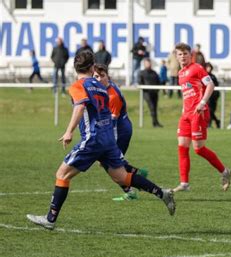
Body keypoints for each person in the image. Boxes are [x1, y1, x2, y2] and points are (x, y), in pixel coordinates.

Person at [26, 50, 175, 230]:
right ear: (92, 67)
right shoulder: (101, 87)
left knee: (61, 175)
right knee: (122, 177)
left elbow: (80, 108)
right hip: (107, 139)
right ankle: (162, 193)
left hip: (93, 139)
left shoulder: (77, 86)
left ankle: (50, 219)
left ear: (75, 68)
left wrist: (69, 132)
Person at [173, 42, 231, 192]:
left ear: (190, 54)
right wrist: (183, 108)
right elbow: (186, 92)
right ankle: (184, 183)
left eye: (185, 53)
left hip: (198, 113)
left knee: (198, 149)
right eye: (180, 54)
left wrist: (203, 102)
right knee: (182, 147)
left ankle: (225, 171)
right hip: (186, 114)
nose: (183, 56)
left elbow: (210, 85)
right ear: (176, 56)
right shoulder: (180, 73)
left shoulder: (197, 68)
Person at [93, 64, 145, 201]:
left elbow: (113, 124)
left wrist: (109, 145)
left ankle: (131, 191)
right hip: (117, 129)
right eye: (96, 76)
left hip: (121, 132)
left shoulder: (112, 96)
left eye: (101, 76)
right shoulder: (103, 89)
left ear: (107, 76)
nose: (98, 79)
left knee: (110, 164)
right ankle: (137, 174)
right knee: (109, 162)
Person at [138, 58, 163, 128]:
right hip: (147, 93)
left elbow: (158, 81)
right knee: (152, 107)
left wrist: (157, 90)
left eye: (149, 63)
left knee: (155, 108)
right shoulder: (141, 73)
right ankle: (155, 123)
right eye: (147, 63)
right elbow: (139, 82)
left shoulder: (154, 72)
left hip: (154, 93)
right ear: (144, 64)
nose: (148, 64)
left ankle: (155, 123)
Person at [205, 62, 221, 128]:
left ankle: (212, 123)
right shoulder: (204, 76)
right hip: (207, 96)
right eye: (207, 67)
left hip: (213, 96)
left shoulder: (213, 76)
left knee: (211, 110)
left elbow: (216, 85)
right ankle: (215, 122)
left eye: (210, 67)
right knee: (209, 110)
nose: (209, 69)